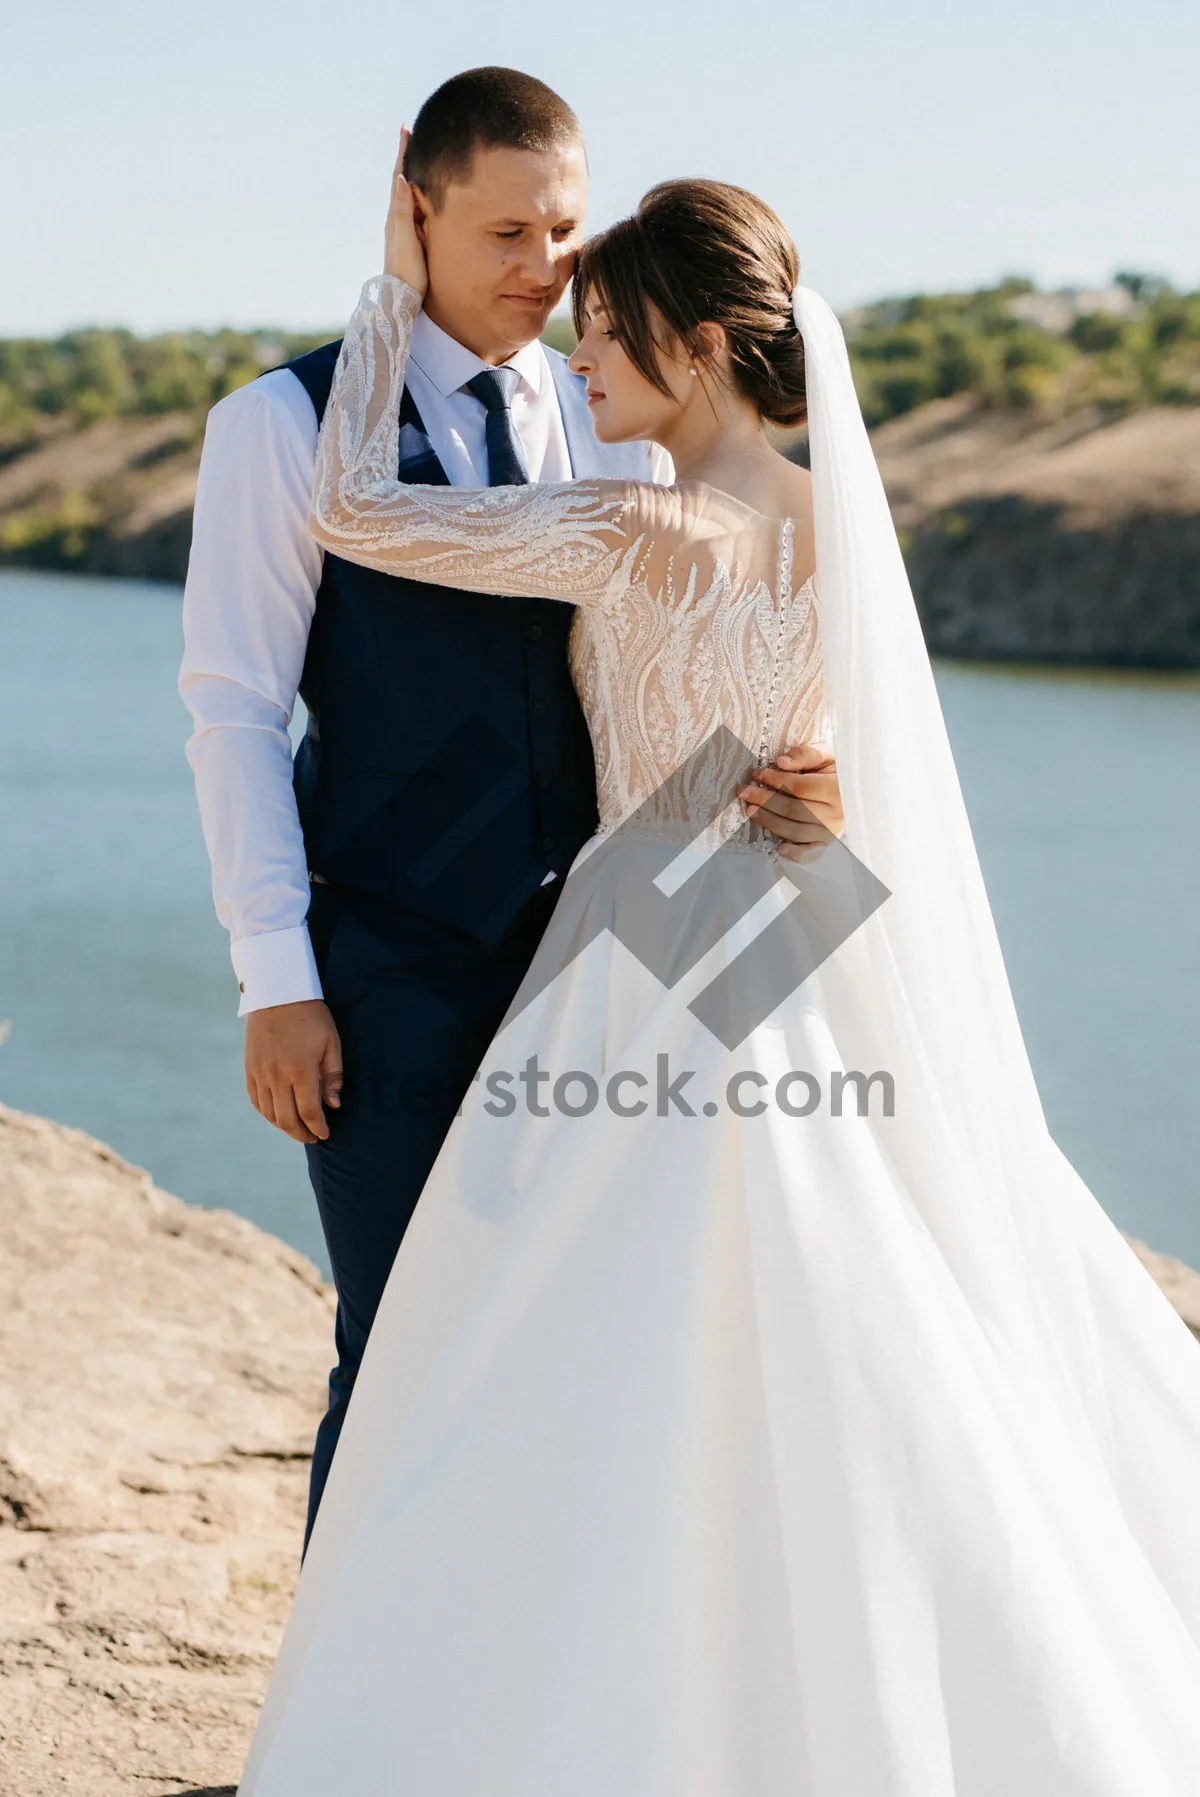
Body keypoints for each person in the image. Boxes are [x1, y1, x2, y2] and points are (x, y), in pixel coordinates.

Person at [236, 148, 1200, 1794]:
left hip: (649, 925)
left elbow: (349, 509)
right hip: (801, 925)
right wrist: (816, 789)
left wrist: (393, 292)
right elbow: (869, 772)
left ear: (692, 348)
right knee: (841, 1297)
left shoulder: (634, 528)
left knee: (563, 1324)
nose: (576, 357)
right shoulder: (846, 534)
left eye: (605, 333)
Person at [178, 68, 840, 1547]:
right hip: (392, 969)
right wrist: (274, 979)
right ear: (414, 205)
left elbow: (732, 648)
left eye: (569, 230)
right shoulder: (278, 428)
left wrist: (813, 771)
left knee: (591, 1363)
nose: (555, 271)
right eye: (511, 234)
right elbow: (230, 714)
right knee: (401, 1346)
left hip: (616, 976)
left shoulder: (617, 414)